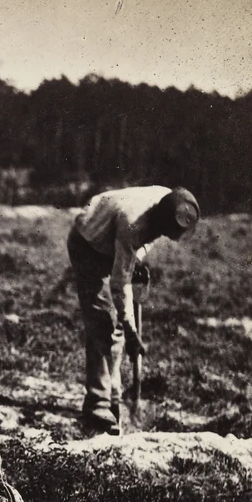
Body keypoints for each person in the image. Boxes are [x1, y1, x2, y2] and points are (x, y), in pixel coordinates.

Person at [68, 186, 199, 435]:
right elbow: (120, 284)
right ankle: (97, 403)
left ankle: (113, 398)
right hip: (88, 243)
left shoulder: (170, 201)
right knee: (104, 323)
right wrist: (131, 331)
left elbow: (145, 240)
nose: (171, 238)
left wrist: (135, 260)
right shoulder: (133, 223)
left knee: (114, 323)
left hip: (114, 239)